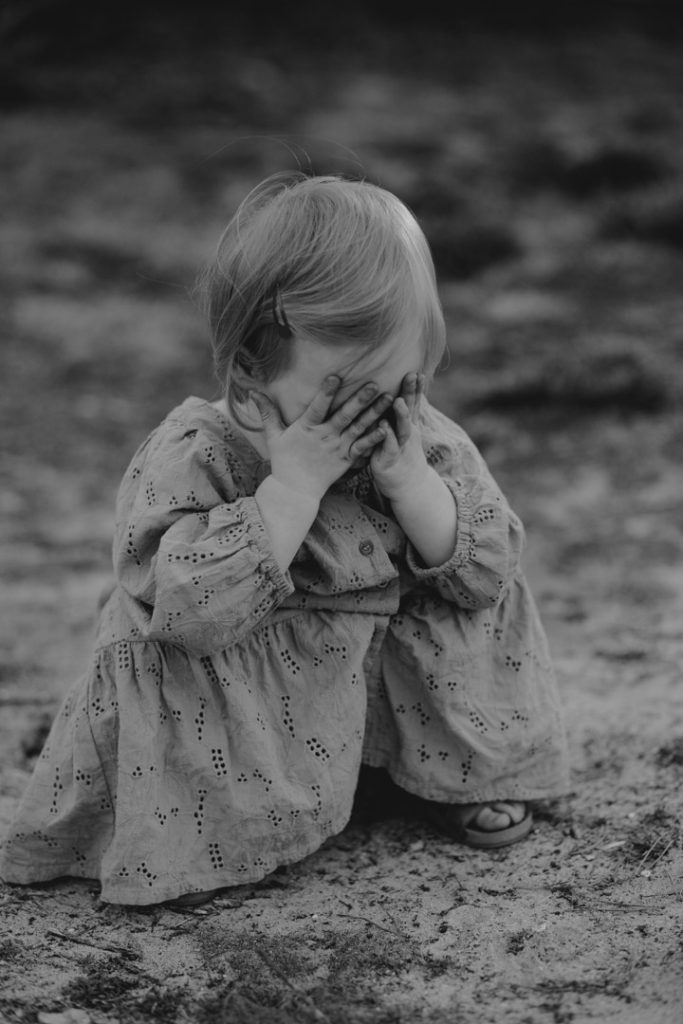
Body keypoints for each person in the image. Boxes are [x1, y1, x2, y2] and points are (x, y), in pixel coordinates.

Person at [0, 172, 570, 907]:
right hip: (244, 685)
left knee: (450, 581)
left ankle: (430, 769)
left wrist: (415, 489)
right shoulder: (197, 454)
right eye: (338, 400)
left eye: (397, 389)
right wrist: (291, 490)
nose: (372, 422)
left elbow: (487, 569)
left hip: (371, 666)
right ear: (248, 385)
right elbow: (188, 607)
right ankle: (227, 823)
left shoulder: (415, 441)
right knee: (188, 660)